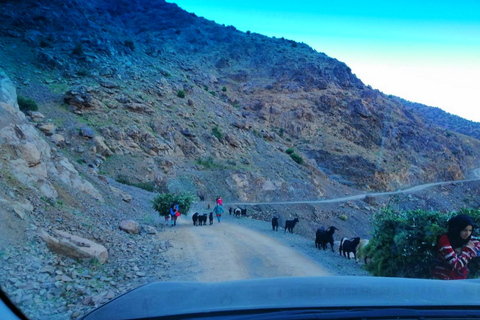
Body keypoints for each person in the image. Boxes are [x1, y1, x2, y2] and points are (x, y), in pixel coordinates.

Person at [432, 214, 480, 280]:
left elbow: (477, 249)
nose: (467, 234)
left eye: (470, 230)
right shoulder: (444, 240)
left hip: (460, 280)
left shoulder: (470, 240)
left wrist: (462, 251)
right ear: (457, 229)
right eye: (464, 230)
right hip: (442, 279)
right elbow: (456, 265)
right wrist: (467, 250)